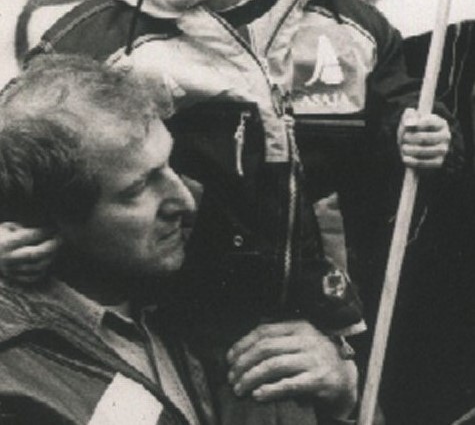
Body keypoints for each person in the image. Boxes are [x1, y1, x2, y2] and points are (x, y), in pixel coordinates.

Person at [0, 0, 453, 423]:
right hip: (173, 323)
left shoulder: (338, 27)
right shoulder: (97, 37)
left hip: (314, 325)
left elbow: (391, 153)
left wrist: (425, 136)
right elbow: (20, 149)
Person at [0, 54, 359, 425]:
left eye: (170, 165)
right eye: (138, 188)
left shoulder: (205, 286)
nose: (185, 201)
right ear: (49, 219)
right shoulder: (15, 382)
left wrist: (341, 396)